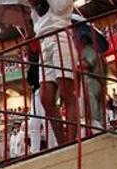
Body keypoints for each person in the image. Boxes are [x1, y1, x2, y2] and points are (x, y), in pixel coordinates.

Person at [30, 0, 78, 145]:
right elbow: (36, 25)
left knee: (66, 93)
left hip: (61, 36)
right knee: (46, 99)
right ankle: (62, 143)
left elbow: (61, 7)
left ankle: (70, 141)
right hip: (44, 42)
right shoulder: (35, 9)